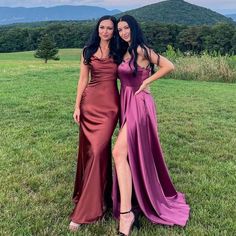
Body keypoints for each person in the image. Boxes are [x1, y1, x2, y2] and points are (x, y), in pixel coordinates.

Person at [112, 15, 190, 236]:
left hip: (139, 103)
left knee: (118, 152)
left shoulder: (141, 50)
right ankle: (132, 201)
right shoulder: (124, 51)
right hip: (126, 102)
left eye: (126, 28)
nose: (123, 32)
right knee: (126, 154)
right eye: (120, 29)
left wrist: (147, 81)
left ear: (134, 28)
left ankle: (126, 214)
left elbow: (169, 65)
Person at [69, 15, 119, 232]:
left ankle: (88, 209)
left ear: (114, 31)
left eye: (109, 28)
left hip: (110, 108)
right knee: (91, 152)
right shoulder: (87, 50)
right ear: (97, 29)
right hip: (90, 104)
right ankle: (99, 197)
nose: (105, 31)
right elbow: (82, 79)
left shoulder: (120, 51)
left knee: (99, 150)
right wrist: (77, 106)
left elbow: (130, 73)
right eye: (102, 27)